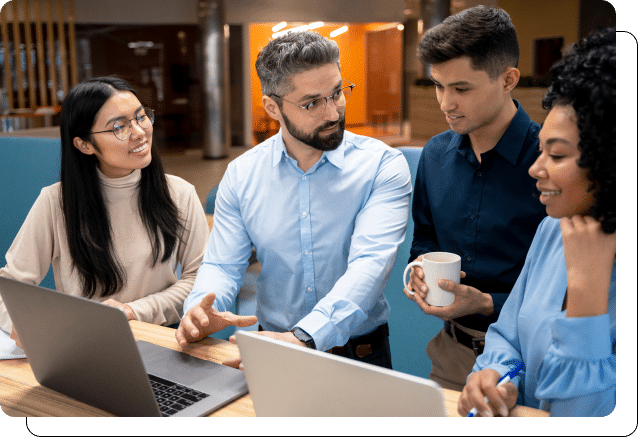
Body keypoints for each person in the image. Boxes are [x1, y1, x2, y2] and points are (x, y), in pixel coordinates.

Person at [176, 31, 412, 369]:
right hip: (271, 347)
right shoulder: (242, 175)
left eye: (337, 93)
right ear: (272, 107)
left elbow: (369, 267)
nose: (332, 113)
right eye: (311, 103)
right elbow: (223, 265)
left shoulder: (381, 166)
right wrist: (201, 308)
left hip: (358, 355)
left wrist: (304, 336)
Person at [458, 27, 616, 417]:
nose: (535, 169)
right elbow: (509, 336)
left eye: (557, 156)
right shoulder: (552, 230)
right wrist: (496, 375)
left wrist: (586, 300)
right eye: (540, 150)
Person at [0, 76, 213, 344]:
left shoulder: (179, 193)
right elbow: (11, 285)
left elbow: (199, 280)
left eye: (141, 117)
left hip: (161, 338)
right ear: (84, 145)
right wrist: (20, 323)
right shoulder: (56, 202)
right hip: (84, 344)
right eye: (119, 127)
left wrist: (136, 311)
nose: (139, 132)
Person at [404, 6, 546, 390]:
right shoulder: (434, 155)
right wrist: (421, 267)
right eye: (438, 85)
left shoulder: (553, 162)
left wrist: (486, 303)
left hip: (537, 359)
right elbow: (426, 236)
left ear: (508, 79)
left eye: (461, 89)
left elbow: (570, 287)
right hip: (454, 351)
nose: (445, 103)